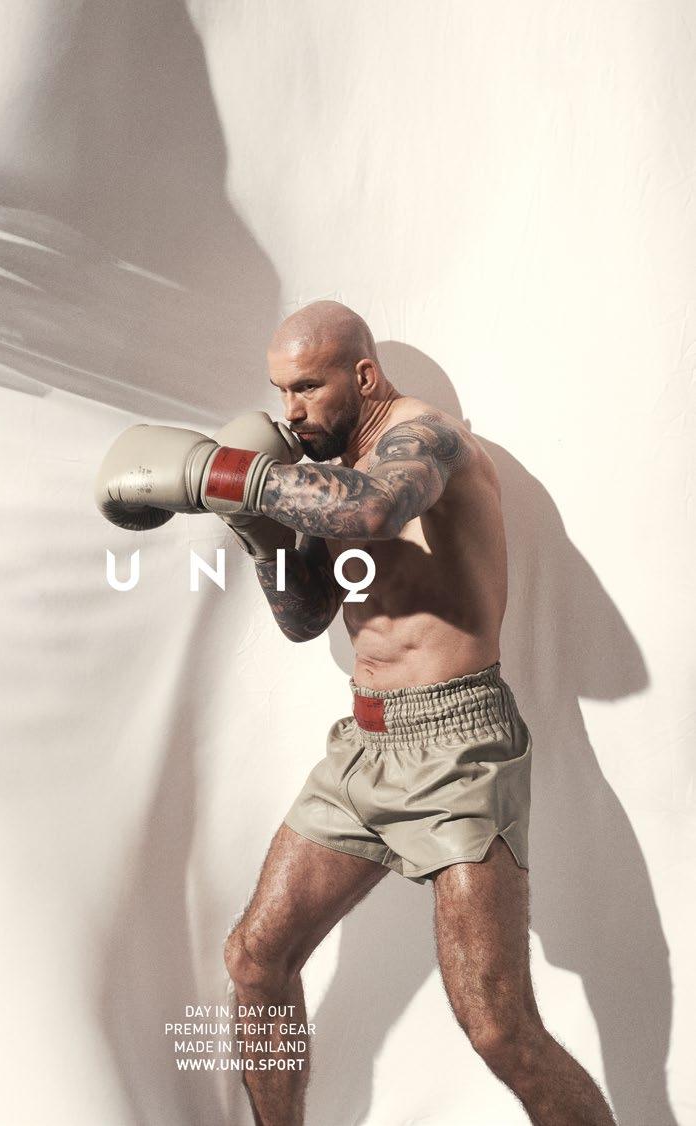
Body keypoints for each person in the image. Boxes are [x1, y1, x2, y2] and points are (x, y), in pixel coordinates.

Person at [95, 301, 616, 1126]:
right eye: (280, 390)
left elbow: (373, 509)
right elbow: (307, 616)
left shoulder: (429, 440)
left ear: (363, 376)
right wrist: (259, 530)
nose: (291, 409)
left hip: (458, 749)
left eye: (308, 386)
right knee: (256, 959)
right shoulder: (327, 474)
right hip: (363, 748)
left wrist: (217, 474)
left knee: (497, 1026)